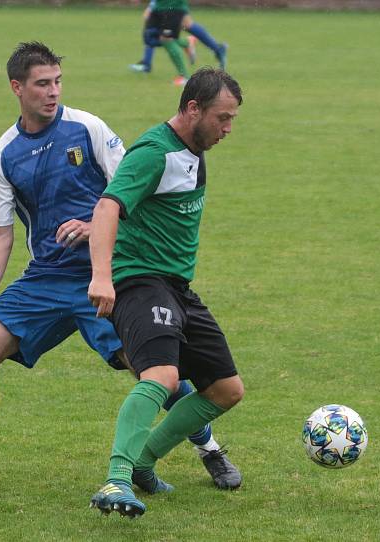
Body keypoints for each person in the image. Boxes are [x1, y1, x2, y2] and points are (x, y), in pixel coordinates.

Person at [0, 42, 239, 495]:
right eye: (42, 84)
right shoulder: (3, 153)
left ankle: (209, 450)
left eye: (57, 81)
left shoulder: (88, 127)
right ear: (17, 88)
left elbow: (127, 189)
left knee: (155, 368)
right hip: (46, 278)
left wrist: (94, 219)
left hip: (109, 272)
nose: (53, 92)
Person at [87, 67, 244, 517]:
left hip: (177, 287)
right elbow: (108, 205)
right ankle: (116, 480)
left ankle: (142, 462)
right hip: (139, 281)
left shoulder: (194, 149)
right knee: (162, 376)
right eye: (222, 118)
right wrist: (101, 276)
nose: (227, 129)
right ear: (192, 108)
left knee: (227, 390)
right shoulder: (154, 151)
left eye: (233, 119)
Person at [130, 0, 229, 86]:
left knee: (166, 39)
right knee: (150, 38)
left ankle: (184, 76)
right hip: (161, 5)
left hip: (171, 5)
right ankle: (191, 43)